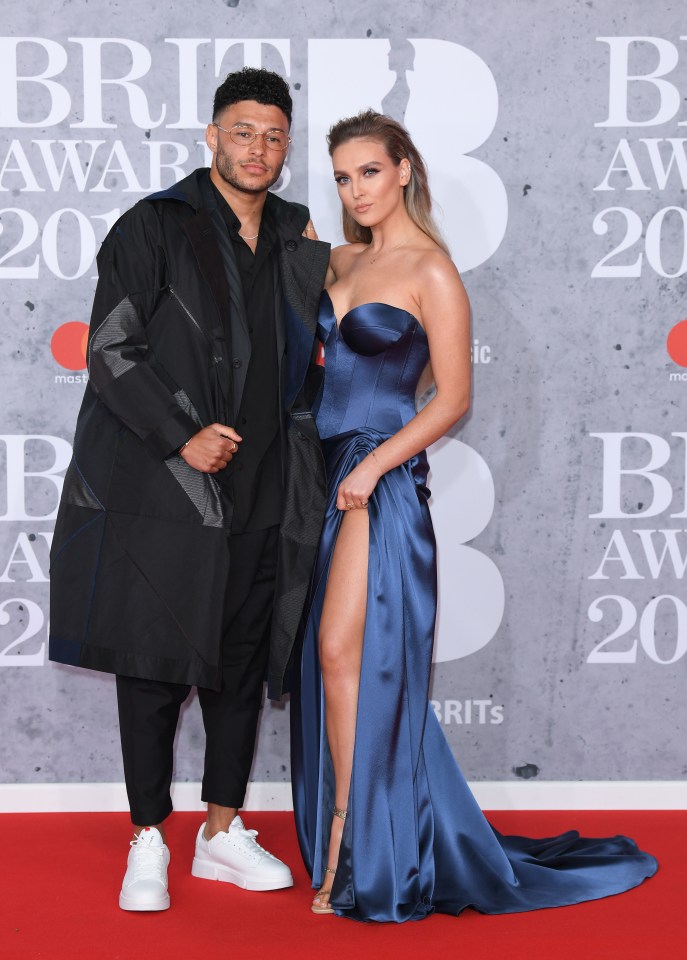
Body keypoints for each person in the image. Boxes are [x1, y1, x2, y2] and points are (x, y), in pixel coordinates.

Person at [290, 109, 657, 921]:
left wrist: (378, 464)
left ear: (405, 169)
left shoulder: (432, 272)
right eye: (344, 176)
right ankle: (355, 838)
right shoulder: (337, 259)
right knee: (335, 663)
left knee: (342, 650)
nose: (357, 190)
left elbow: (453, 397)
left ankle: (353, 852)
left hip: (376, 477)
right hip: (317, 475)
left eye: (370, 172)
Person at [49, 67, 330, 912]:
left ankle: (220, 833)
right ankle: (146, 840)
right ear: (212, 136)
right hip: (167, 487)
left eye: (274, 135)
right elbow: (109, 349)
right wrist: (183, 433)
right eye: (243, 131)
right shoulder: (154, 224)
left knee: (240, 662)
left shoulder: (294, 231)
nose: (259, 148)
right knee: (155, 664)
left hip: (266, 485)